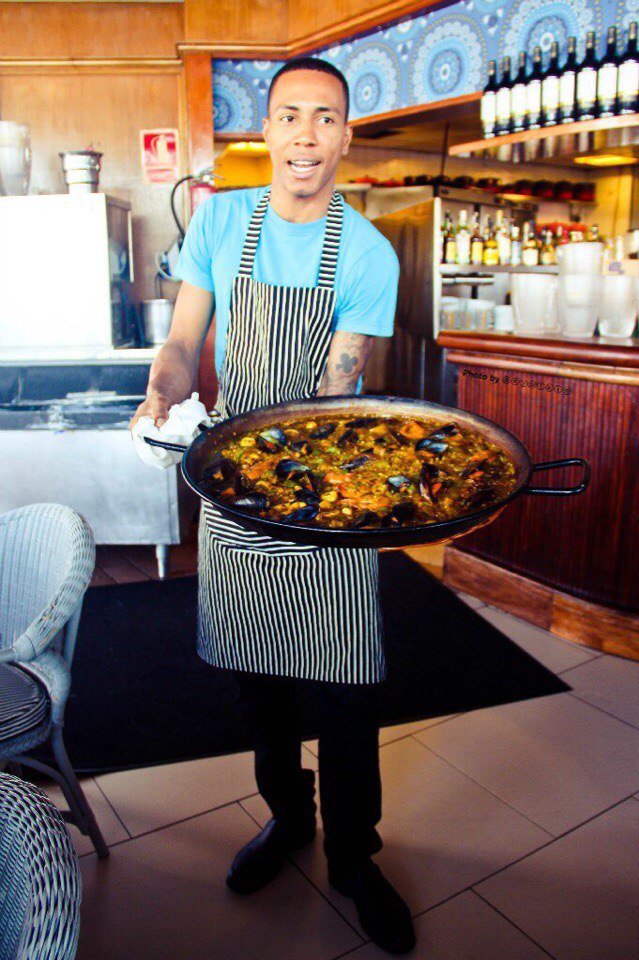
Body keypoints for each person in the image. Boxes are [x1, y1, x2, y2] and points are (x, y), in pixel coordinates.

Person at [131, 57, 415, 955]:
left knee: (345, 693)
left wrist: (301, 478)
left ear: (345, 136)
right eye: (289, 114)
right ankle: (288, 819)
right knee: (260, 691)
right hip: (233, 491)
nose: (305, 134)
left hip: (322, 496)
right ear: (267, 129)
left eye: (324, 117)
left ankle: (355, 859)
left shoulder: (366, 253)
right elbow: (184, 339)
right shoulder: (222, 221)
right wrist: (164, 390)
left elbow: (336, 390)